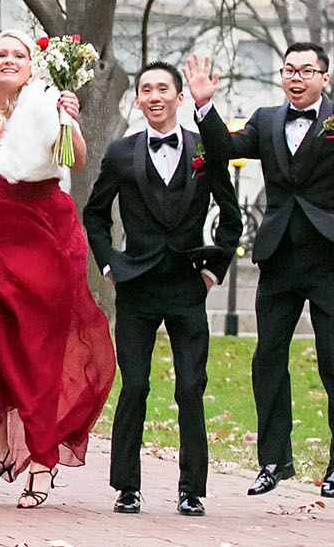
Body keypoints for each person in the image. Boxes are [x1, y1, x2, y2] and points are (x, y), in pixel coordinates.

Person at [184, 45, 334, 500]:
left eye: (307, 71)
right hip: (278, 256)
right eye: (289, 70)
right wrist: (204, 106)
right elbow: (225, 148)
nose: (297, 77)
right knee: (267, 357)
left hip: (328, 256)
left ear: (324, 78)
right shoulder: (266, 119)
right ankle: (273, 459)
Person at [0, 29, 114, 509]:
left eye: (18, 54)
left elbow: (75, 162)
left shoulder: (45, 101)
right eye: (0, 53)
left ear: (31, 64)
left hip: (44, 235)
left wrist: (68, 121)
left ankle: (42, 461)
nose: (8, 60)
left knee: (37, 353)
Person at [82, 61, 243, 517]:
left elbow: (232, 219)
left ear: (178, 97)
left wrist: (214, 272)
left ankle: (192, 490)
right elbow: (95, 215)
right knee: (134, 386)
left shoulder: (205, 150)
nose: (154, 96)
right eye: (146, 89)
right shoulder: (119, 153)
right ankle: (126, 487)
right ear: (137, 100)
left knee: (191, 387)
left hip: (188, 285)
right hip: (136, 284)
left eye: (163, 89)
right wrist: (111, 264)